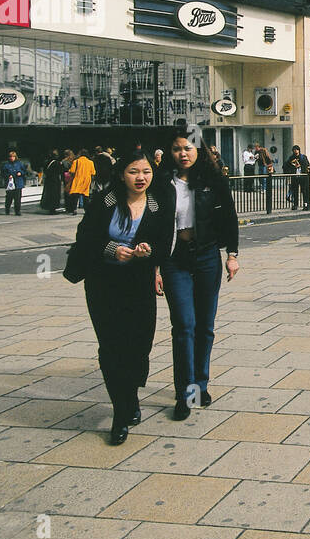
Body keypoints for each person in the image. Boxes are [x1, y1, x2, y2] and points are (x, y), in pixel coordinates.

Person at [72, 147, 173, 445]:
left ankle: (130, 395)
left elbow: (164, 242)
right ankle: (121, 411)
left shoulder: (158, 204)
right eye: (133, 171)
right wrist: (112, 249)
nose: (141, 177)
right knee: (111, 347)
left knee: (140, 346)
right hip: (104, 282)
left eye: (146, 172)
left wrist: (149, 253)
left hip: (139, 281)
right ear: (121, 174)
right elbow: (85, 238)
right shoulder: (105, 201)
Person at [156, 132, 240, 421]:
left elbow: (229, 216)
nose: (183, 153)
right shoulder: (161, 183)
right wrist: (154, 266)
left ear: (198, 149)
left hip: (206, 256)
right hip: (173, 259)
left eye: (188, 148)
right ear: (170, 151)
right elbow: (152, 225)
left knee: (205, 325)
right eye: (177, 148)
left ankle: (200, 384)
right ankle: (185, 393)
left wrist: (233, 254)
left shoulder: (212, 179)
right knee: (183, 325)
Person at [67, 148, 95, 214]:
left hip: (77, 180)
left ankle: (74, 209)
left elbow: (72, 171)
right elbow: (93, 172)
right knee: (86, 196)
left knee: (75, 195)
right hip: (86, 180)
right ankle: (86, 210)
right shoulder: (90, 162)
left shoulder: (76, 161)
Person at [1, 149, 28, 216]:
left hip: (18, 183)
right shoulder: (6, 165)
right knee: (9, 198)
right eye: (10, 157)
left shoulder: (19, 164)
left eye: (13, 157)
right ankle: (7, 210)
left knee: (17, 198)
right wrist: (8, 176)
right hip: (10, 184)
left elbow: (25, 172)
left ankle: (17, 211)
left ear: (15, 157)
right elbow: (3, 173)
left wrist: (20, 173)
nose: (11, 158)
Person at [284, 145, 310, 209]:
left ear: (299, 150)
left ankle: (306, 204)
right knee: (295, 191)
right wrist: (291, 165)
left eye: (296, 150)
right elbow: (286, 165)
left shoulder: (303, 157)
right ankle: (295, 205)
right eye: (294, 150)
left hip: (303, 177)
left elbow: (307, 165)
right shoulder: (291, 158)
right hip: (295, 177)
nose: (295, 151)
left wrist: (301, 166)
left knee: (304, 191)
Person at [40, 149, 64, 214]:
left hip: (48, 180)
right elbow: (60, 171)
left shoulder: (47, 162)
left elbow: (45, 170)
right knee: (54, 195)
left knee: (48, 194)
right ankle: (53, 208)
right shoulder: (57, 163)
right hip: (55, 180)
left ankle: (49, 207)